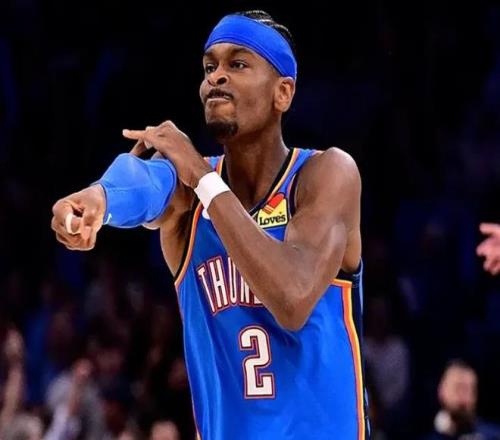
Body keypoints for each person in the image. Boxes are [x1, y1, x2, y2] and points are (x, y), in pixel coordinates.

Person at [51, 10, 368, 439]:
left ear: (283, 93)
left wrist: (203, 177)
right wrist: (97, 199)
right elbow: (145, 179)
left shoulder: (325, 176)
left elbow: (293, 299)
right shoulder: (190, 191)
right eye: (209, 66)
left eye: (237, 63)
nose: (216, 77)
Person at [421, 360, 500, 440]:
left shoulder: (493, 435)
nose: (464, 396)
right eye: (458, 388)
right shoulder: (424, 432)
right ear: (441, 391)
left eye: (469, 389)